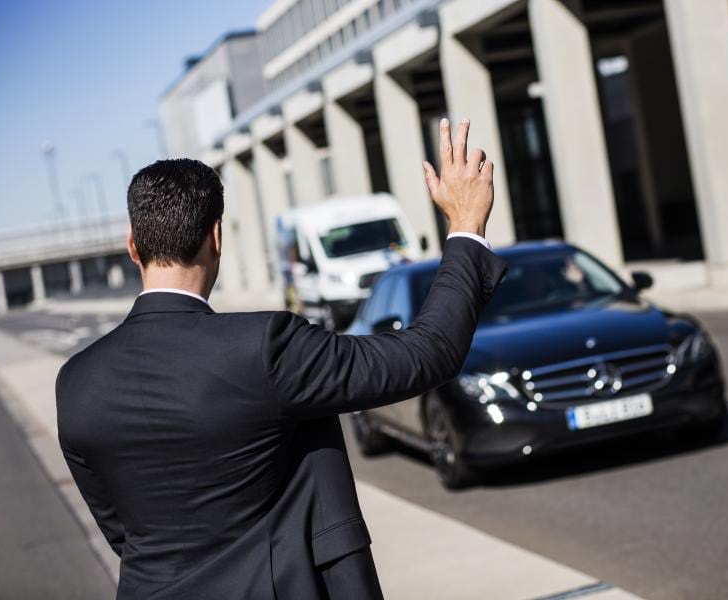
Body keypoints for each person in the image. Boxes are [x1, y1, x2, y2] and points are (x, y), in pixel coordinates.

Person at [56, 118, 507, 599]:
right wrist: (466, 227)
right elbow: (428, 353)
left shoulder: (77, 383)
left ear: (132, 245)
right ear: (217, 238)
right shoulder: (264, 346)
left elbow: (123, 534)